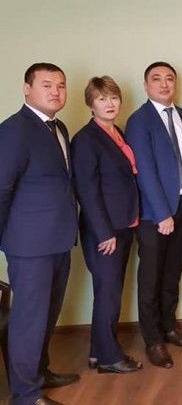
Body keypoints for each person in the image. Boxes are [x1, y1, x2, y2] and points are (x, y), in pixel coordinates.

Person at [0, 63, 79, 405]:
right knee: (29, 320)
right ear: (27, 89)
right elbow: (1, 188)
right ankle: (25, 394)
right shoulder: (14, 130)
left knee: (46, 315)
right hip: (29, 246)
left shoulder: (58, 127)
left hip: (59, 239)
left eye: (61, 85)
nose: (56, 92)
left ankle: (40, 373)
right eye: (47, 85)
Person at [125, 61, 182, 369]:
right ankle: (153, 340)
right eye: (156, 79)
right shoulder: (139, 120)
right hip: (155, 213)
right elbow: (145, 171)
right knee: (151, 277)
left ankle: (168, 327)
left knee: (172, 272)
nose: (164, 84)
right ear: (146, 85)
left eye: (169, 79)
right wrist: (162, 213)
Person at [71, 76, 142, 374]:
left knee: (108, 292)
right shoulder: (86, 139)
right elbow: (87, 191)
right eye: (102, 99)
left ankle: (96, 352)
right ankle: (110, 358)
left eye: (113, 97)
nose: (109, 103)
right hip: (105, 232)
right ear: (91, 103)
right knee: (109, 294)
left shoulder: (116, 132)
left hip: (124, 224)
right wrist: (104, 233)